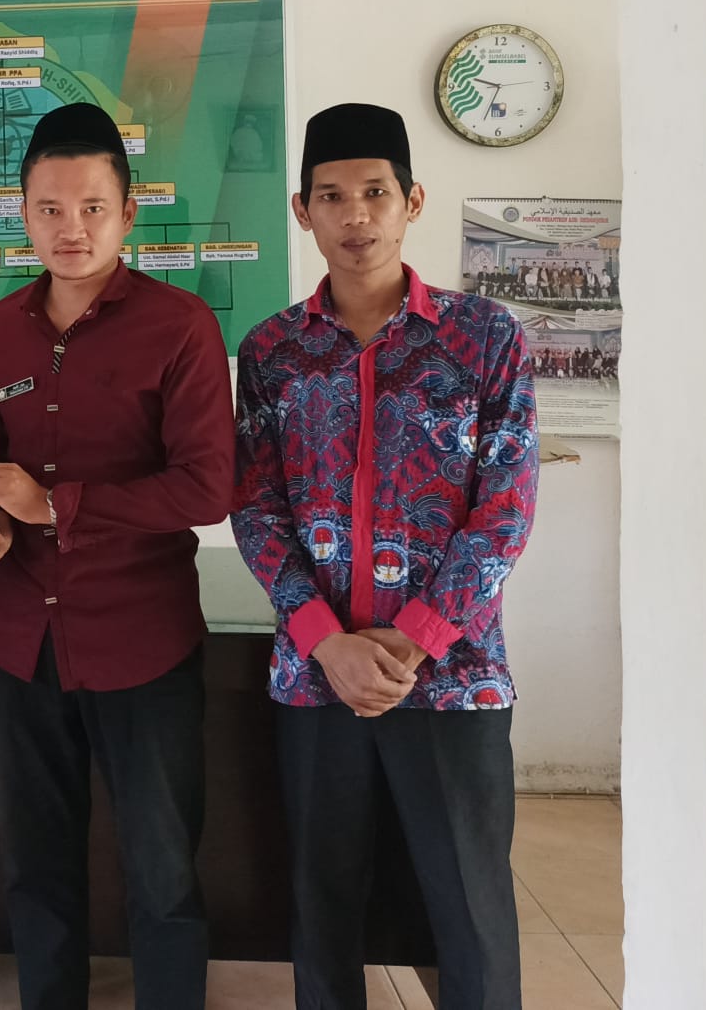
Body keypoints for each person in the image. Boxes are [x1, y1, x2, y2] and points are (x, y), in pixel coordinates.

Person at [231, 102, 538, 1010]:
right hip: (315, 674)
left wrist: (412, 639)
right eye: (332, 196)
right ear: (303, 210)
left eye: (375, 192)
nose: (355, 215)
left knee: (470, 907)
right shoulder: (273, 352)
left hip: (452, 674)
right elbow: (256, 506)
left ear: (413, 201)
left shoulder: (484, 338)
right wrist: (326, 640)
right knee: (323, 904)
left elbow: (506, 509)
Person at [0, 101, 236, 1010]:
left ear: (127, 213)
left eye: (91, 208)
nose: (69, 228)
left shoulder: (181, 325)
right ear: (21, 212)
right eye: (49, 208)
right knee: (35, 865)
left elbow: (206, 489)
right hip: (21, 642)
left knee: (161, 868)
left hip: (141, 641)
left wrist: (54, 505)